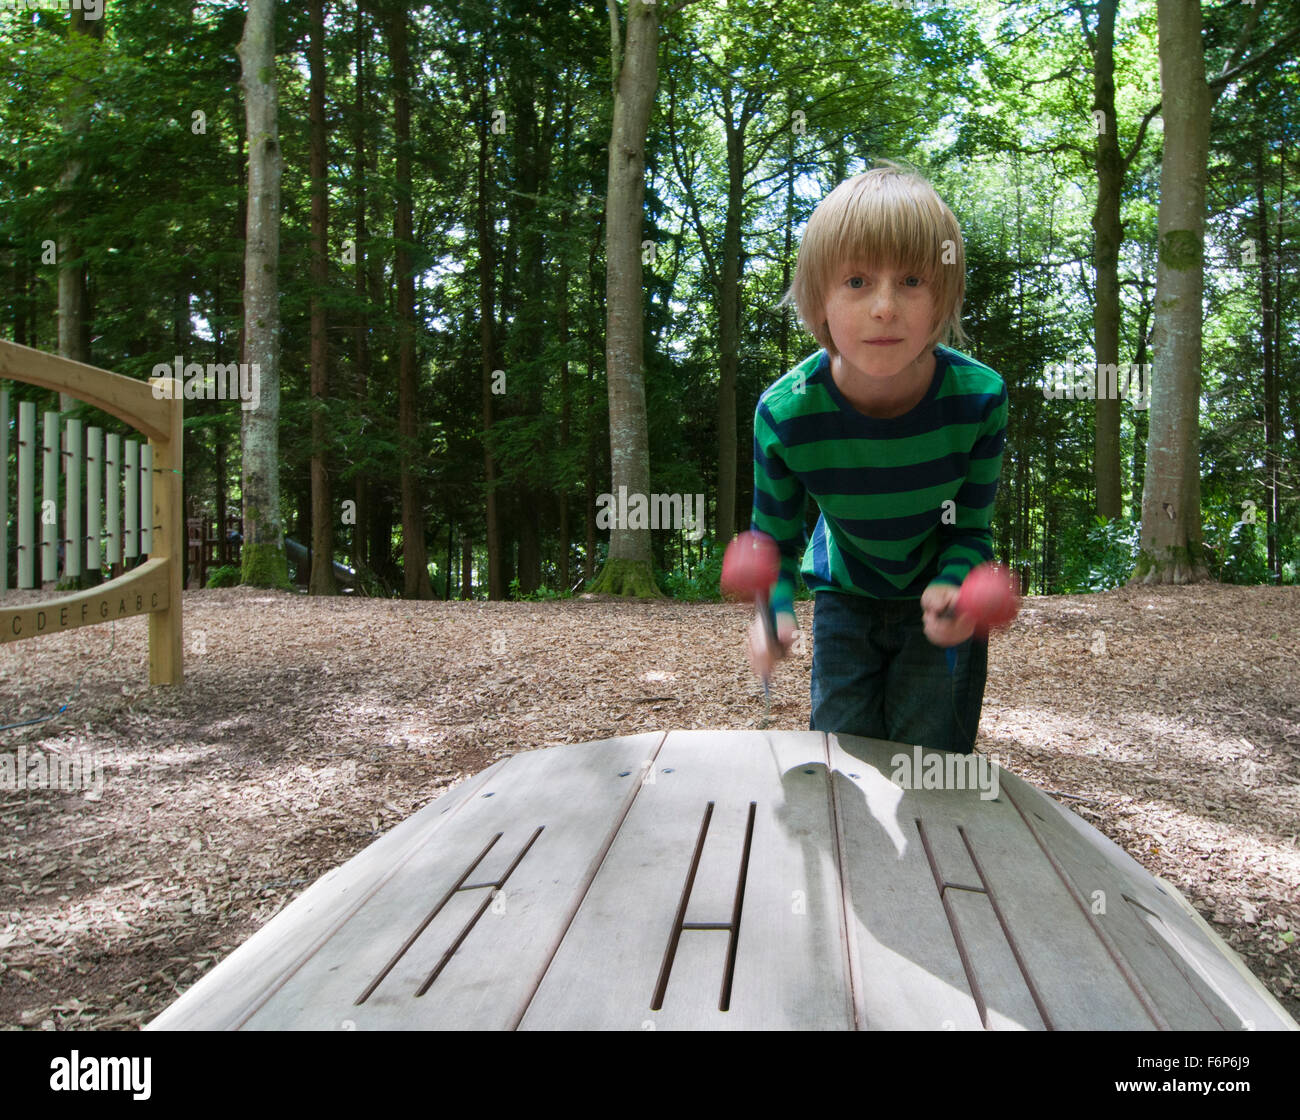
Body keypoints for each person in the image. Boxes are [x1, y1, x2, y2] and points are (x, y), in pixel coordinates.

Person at [748, 160, 1007, 753]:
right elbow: (773, 541)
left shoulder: (979, 399)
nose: (885, 306)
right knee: (842, 764)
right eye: (857, 282)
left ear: (943, 297)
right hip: (845, 596)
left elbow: (968, 529)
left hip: (935, 610)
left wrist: (954, 585)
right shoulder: (785, 413)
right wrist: (773, 609)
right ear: (818, 300)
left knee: (930, 767)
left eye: (912, 281)